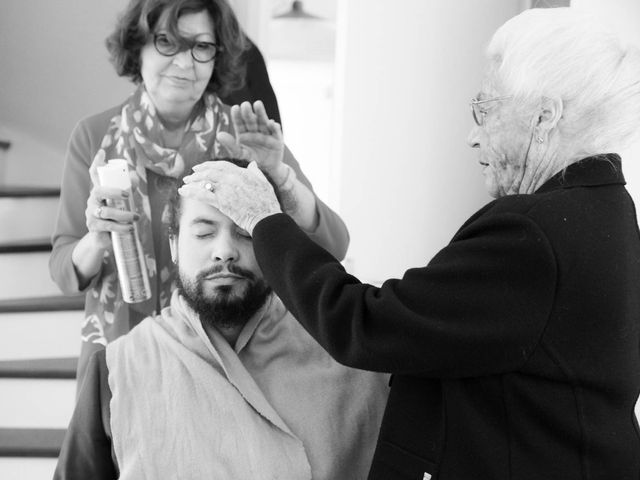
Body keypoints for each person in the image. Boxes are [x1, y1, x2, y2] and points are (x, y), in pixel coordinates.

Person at [182, 8, 640, 480]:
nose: (472, 137)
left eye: (485, 110)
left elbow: (363, 325)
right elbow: (447, 316)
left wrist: (263, 217)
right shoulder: (606, 208)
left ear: (544, 116)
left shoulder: (535, 233)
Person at [48, 0, 349, 385]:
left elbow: (334, 244)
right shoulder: (93, 137)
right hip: (121, 361)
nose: (185, 62)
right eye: (167, 42)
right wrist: (97, 238)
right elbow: (64, 271)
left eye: (201, 46)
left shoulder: (244, 136)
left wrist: (281, 178)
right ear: (137, 45)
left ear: (216, 56)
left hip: (229, 366)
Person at [53, 165, 387, 480]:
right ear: (173, 245)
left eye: (245, 233)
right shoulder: (118, 368)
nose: (224, 251)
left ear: (276, 245)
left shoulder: (345, 352)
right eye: (203, 232)